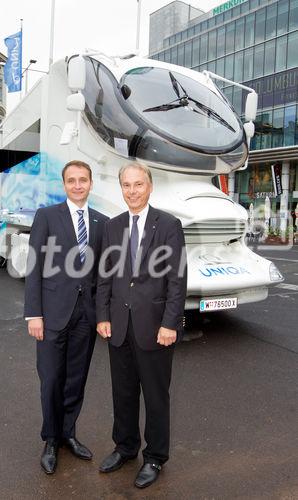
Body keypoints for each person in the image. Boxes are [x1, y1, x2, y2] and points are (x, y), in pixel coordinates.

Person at [96, 162, 187, 489]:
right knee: (122, 393)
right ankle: (125, 447)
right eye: (127, 185)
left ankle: (155, 457)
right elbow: (105, 276)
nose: (132, 191)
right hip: (119, 324)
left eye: (138, 184)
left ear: (150, 186)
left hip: (155, 327)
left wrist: (170, 323)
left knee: (156, 395)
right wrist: (102, 315)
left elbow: (177, 279)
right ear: (121, 188)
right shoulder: (112, 226)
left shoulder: (169, 225)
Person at [24, 160, 108, 474]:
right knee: (51, 381)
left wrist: (103, 315)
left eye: (82, 180)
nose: (77, 185)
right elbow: (34, 267)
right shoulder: (47, 217)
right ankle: (50, 439)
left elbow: (103, 274)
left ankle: (68, 434)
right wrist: (34, 313)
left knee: (76, 380)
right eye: (71, 180)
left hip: (85, 317)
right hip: (50, 315)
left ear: (90, 184)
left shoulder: (102, 222)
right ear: (64, 185)